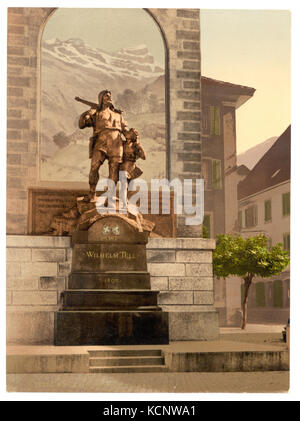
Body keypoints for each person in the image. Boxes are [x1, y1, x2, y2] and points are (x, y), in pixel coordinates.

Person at [78, 90, 138, 201]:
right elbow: (82, 124)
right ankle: (92, 193)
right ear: (101, 99)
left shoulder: (118, 115)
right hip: (101, 142)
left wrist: (132, 134)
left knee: (114, 170)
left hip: (116, 144)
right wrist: (87, 115)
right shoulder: (96, 113)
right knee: (94, 167)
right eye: (106, 96)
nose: (109, 97)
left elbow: (126, 132)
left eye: (110, 96)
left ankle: (110, 195)